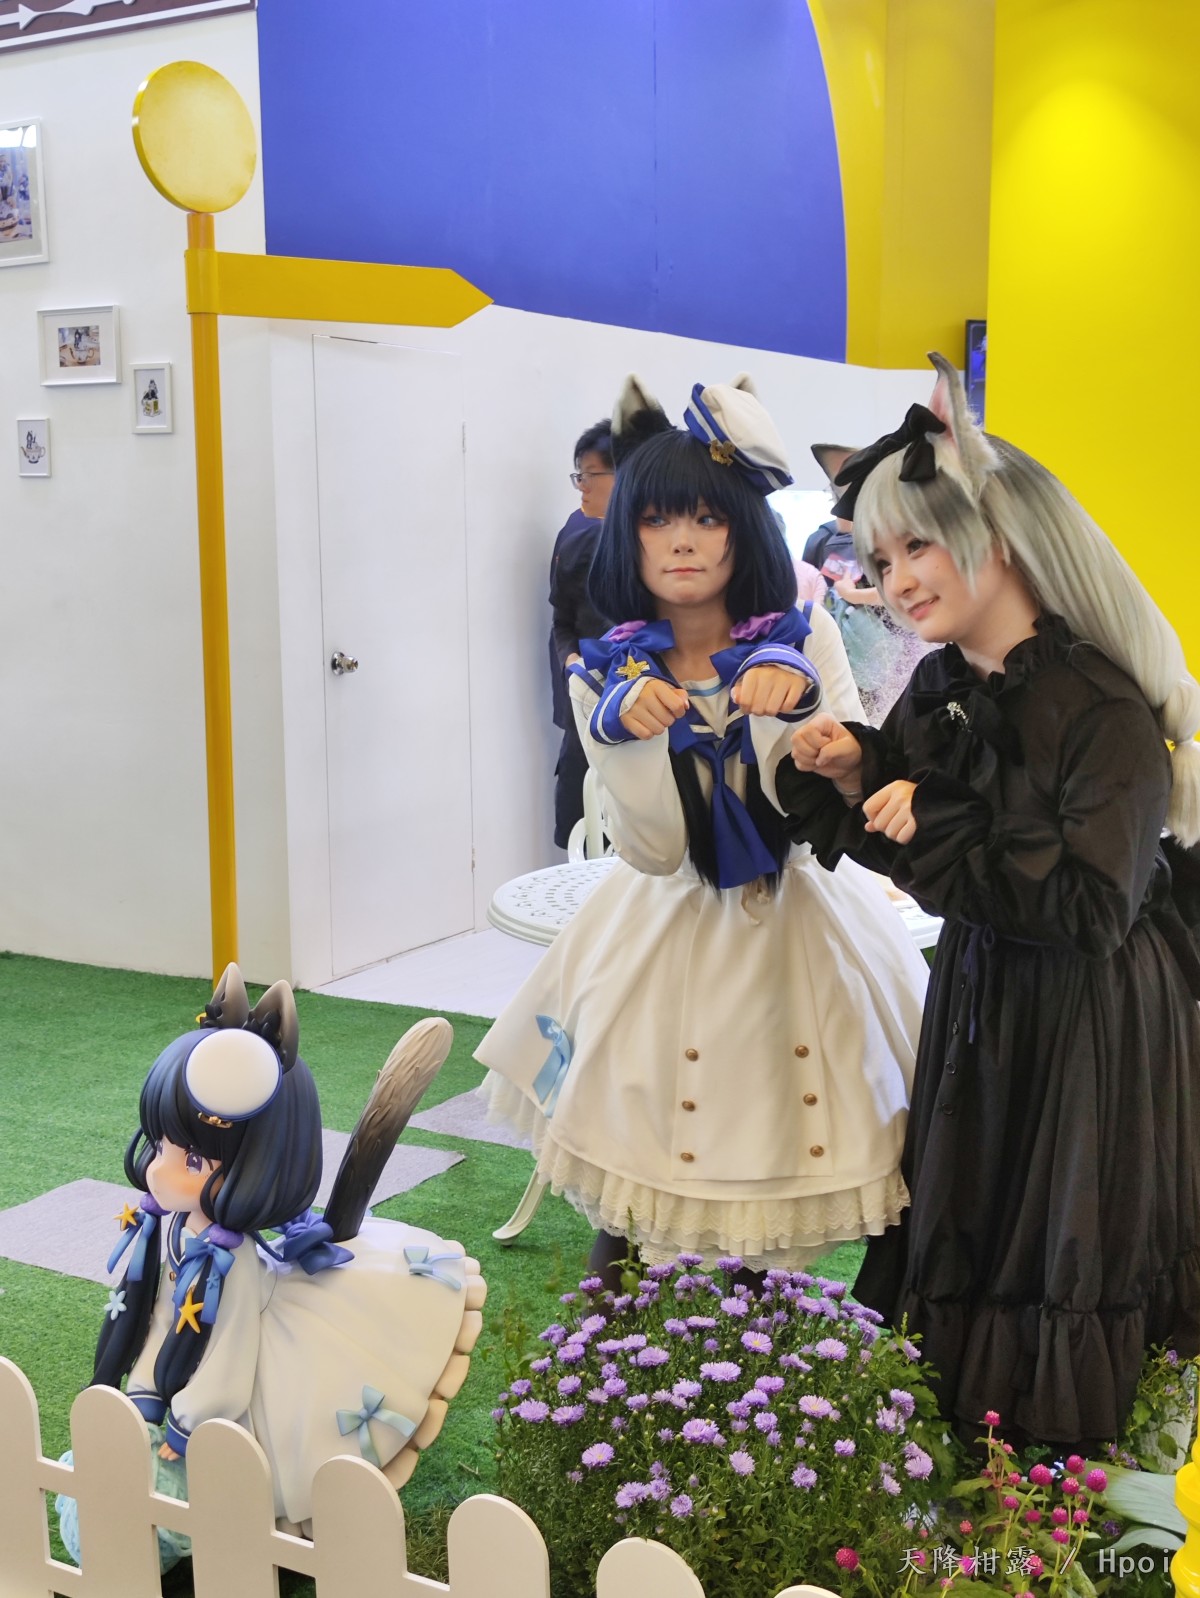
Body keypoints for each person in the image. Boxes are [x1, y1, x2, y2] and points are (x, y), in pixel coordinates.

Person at [775, 352, 1200, 1446]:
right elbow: (939, 843)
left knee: (1065, 1235)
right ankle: (983, 1461)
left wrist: (935, 817)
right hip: (986, 989)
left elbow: (1093, 908)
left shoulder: (1101, 705)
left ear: (997, 535)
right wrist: (858, 774)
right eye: (882, 557)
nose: (898, 578)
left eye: (918, 544)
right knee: (978, 1209)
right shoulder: (942, 684)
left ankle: (1067, 1485)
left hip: (1089, 1020)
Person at [478, 374, 928, 1287]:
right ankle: (611, 1358)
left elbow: (827, 812)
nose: (681, 540)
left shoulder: (806, 636)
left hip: (801, 914)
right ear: (628, 532)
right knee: (638, 1184)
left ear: (742, 528)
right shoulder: (603, 674)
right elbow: (655, 852)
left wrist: (791, 711)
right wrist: (628, 734)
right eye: (656, 520)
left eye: (708, 518)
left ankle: (779, 1349)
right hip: (665, 919)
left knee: (804, 1153)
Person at [65, 966, 485, 1558]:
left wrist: (187, 1422)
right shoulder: (178, 1230)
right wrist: (144, 1395)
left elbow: (231, 1354)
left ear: (260, 1167)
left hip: (237, 1390)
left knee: (258, 1463)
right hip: (196, 1370)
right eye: (160, 1145)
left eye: (191, 1160)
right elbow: (162, 1317)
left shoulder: (229, 1262)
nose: (158, 1169)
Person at [805, 443, 926, 723]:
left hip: (898, 649)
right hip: (852, 652)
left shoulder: (900, 530)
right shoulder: (822, 540)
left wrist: (853, 595)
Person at [548, 421, 615, 849]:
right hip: (589, 700)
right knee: (583, 826)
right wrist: (571, 661)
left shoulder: (661, 548)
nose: (581, 487)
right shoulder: (578, 534)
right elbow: (562, 620)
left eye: (589, 475)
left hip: (648, 711)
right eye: (579, 475)